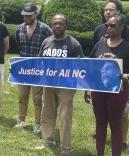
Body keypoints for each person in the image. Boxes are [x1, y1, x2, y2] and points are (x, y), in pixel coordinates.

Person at [86, 14, 129, 156]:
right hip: (99, 90)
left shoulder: (128, 47)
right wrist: (88, 88)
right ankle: (100, 153)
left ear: (121, 27)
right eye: (107, 25)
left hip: (118, 91)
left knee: (115, 124)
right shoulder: (99, 45)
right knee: (100, 123)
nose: (109, 28)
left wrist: (125, 76)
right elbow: (91, 67)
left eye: (112, 26)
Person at [38, 14, 84, 154]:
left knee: (65, 116)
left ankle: (66, 147)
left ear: (65, 25)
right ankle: (48, 140)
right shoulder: (46, 41)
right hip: (48, 83)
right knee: (47, 112)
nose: (57, 26)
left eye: (60, 23)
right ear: (51, 25)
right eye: (55, 23)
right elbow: (40, 61)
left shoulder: (73, 43)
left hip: (66, 85)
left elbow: (81, 65)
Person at [14, 2, 53, 133]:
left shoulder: (45, 29)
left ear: (36, 14)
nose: (26, 18)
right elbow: (20, 46)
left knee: (37, 98)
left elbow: (51, 47)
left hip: (39, 68)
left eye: (29, 16)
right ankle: (21, 120)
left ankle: (38, 123)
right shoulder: (19, 29)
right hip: (23, 67)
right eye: (24, 16)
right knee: (21, 96)